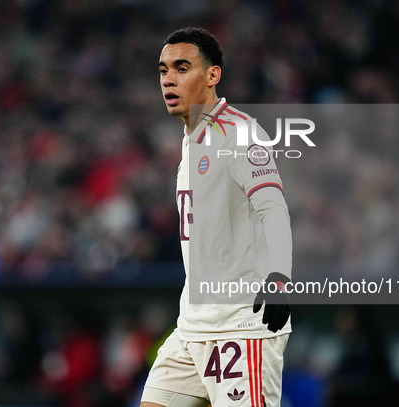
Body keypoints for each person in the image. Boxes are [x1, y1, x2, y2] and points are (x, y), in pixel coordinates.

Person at [141, 27, 293, 407]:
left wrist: (279, 276)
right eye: (163, 71)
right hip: (192, 325)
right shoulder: (192, 140)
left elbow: (272, 207)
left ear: (212, 76)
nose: (169, 79)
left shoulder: (238, 133)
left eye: (181, 67)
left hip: (240, 325)